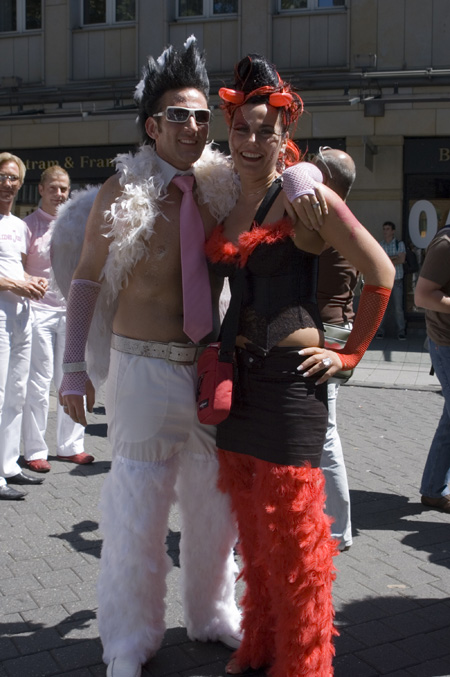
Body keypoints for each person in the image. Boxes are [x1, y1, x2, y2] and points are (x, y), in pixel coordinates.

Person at [206, 54, 395, 677]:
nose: (254, 140)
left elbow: (381, 274)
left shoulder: (304, 197)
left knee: (297, 542)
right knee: (255, 541)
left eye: (267, 130)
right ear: (227, 130)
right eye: (243, 128)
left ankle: (306, 665)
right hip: (242, 385)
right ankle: (258, 644)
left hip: (291, 386)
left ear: (286, 136)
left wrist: (349, 353)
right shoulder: (227, 197)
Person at [58, 38, 241, 677]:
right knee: (137, 510)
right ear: (151, 127)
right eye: (178, 116)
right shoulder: (120, 190)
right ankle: (128, 639)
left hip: (206, 370)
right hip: (140, 369)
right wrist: (73, 365)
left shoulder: (221, 186)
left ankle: (212, 612)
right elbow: (84, 279)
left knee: (214, 500)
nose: (193, 127)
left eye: (200, 117)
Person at [22, 166, 93, 473]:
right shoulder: (28, 225)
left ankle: (71, 447)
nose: (60, 194)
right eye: (53, 188)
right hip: (38, 312)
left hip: (71, 312)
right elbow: (17, 266)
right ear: (41, 189)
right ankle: (35, 450)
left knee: (72, 379)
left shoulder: (76, 224)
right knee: (38, 385)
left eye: (64, 189)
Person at [313, 146, 357, 552]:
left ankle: (339, 529)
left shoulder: (327, 222)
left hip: (324, 335)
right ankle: (336, 526)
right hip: (335, 331)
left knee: (323, 433)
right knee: (324, 430)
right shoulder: (348, 221)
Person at [0, 152, 47, 500]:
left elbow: (15, 270)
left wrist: (31, 280)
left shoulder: (18, 225)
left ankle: (9, 465)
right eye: (2, 176)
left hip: (21, 315)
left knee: (16, 392)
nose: (7, 184)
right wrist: (17, 285)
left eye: (13, 178)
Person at [414, 225, 450, 513]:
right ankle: (433, 490)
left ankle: (433, 489)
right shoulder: (446, 243)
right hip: (446, 345)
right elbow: (423, 296)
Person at [376, 220, 407, 340]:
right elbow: (378, 261)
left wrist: (387, 260)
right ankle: (380, 331)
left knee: (398, 308)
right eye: (384, 229)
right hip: (383, 281)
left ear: (393, 231)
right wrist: (393, 258)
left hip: (397, 280)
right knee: (381, 308)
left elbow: (401, 260)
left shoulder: (400, 244)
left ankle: (401, 331)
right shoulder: (380, 244)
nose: (385, 232)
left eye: (388, 229)